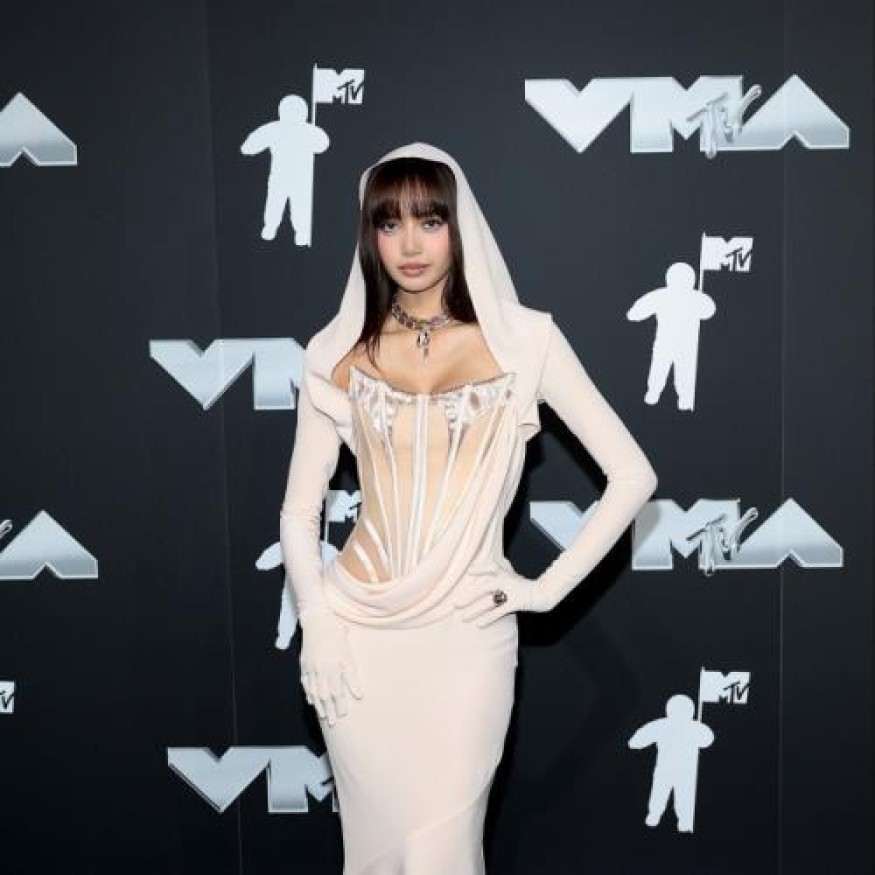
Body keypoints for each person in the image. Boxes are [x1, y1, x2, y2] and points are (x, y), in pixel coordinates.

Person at [279, 141, 658, 874]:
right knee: (380, 859)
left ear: (459, 226)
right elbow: (299, 514)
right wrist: (317, 622)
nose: (410, 244)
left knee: (442, 854)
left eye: (429, 220)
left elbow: (631, 473)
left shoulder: (524, 340)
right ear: (369, 235)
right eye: (389, 223)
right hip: (356, 635)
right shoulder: (334, 351)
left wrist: (545, 588)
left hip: (465, 636)